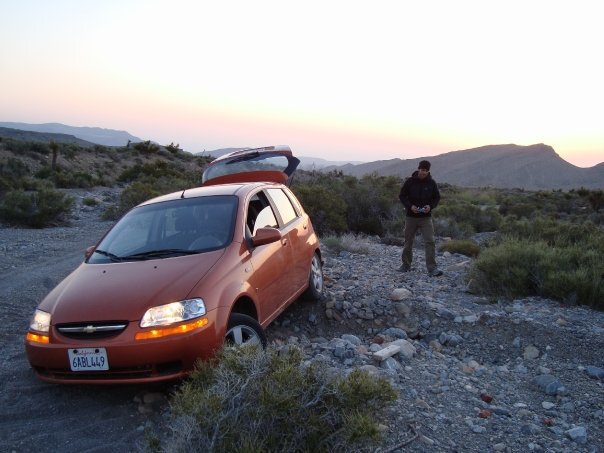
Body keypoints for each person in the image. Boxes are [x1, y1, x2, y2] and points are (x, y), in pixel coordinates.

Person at [398, 160, 443, 276]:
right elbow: (402, 196)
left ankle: (432, 268)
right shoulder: (410, 182)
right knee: (408, 241)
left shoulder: (431, 183)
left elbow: (437, 197)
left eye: (426, 170)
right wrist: (410, 206)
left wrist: (430, 206)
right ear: (419, 169)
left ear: (428, 171)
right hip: (411, 217)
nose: (424, 172)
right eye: (422, 170)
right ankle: (406, 265)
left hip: (426, 218)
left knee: (430, 241)